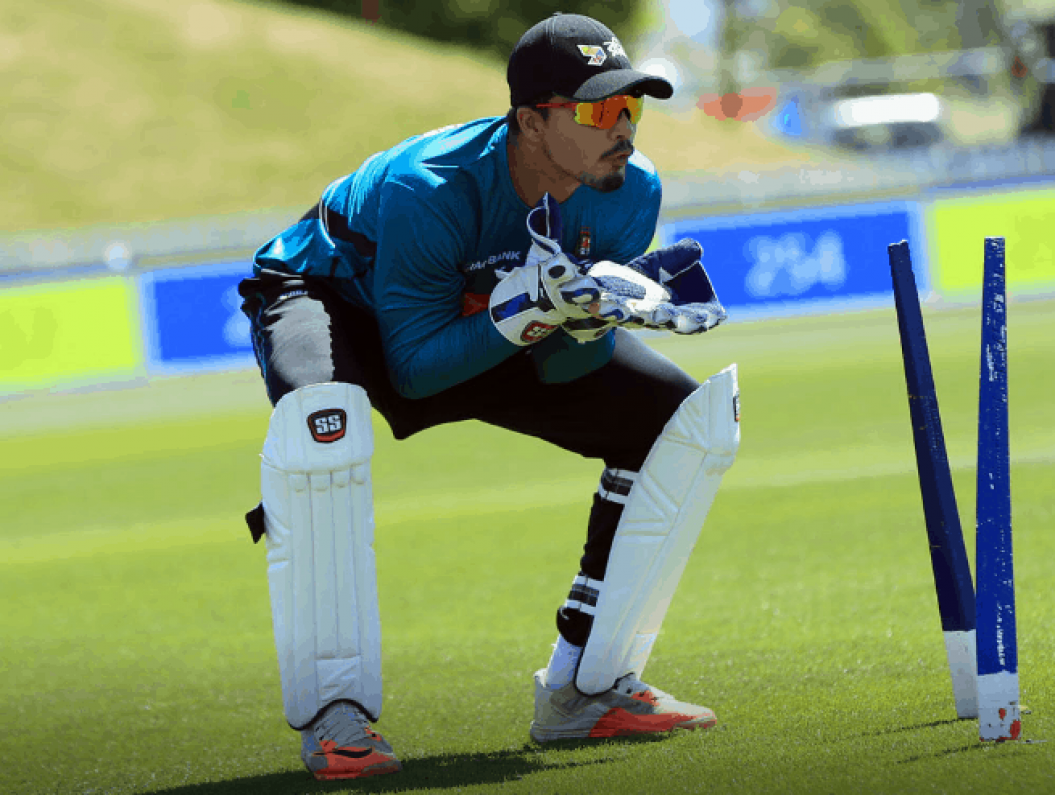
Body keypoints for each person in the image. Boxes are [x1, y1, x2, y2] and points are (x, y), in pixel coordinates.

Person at [237, 12, 740, 781]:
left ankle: (585, 690)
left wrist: (586, 320)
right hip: (336, 298)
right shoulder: (428, 187)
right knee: (322, 426)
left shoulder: (630, 191)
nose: (625, 128)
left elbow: (565, 374)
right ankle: (336, 717)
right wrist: (532, 308)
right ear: (532, 123)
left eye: (632, 106)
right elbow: (413, 371)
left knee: (677, 421)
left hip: (486, 317)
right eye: (601, 110)